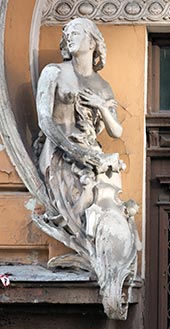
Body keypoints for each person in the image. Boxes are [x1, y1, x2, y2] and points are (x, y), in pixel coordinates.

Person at [35, 18, 124, 229]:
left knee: (107, 200)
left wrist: (101, 106)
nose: (69, 37)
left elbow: (116, 131)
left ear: (92, 42)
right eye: (68, 34)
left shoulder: (102, 86)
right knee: (80, 201)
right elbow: (44, 120)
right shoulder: (53, 72)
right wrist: (75, 152)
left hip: (90, 153)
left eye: (76, 33)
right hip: (59, 152)